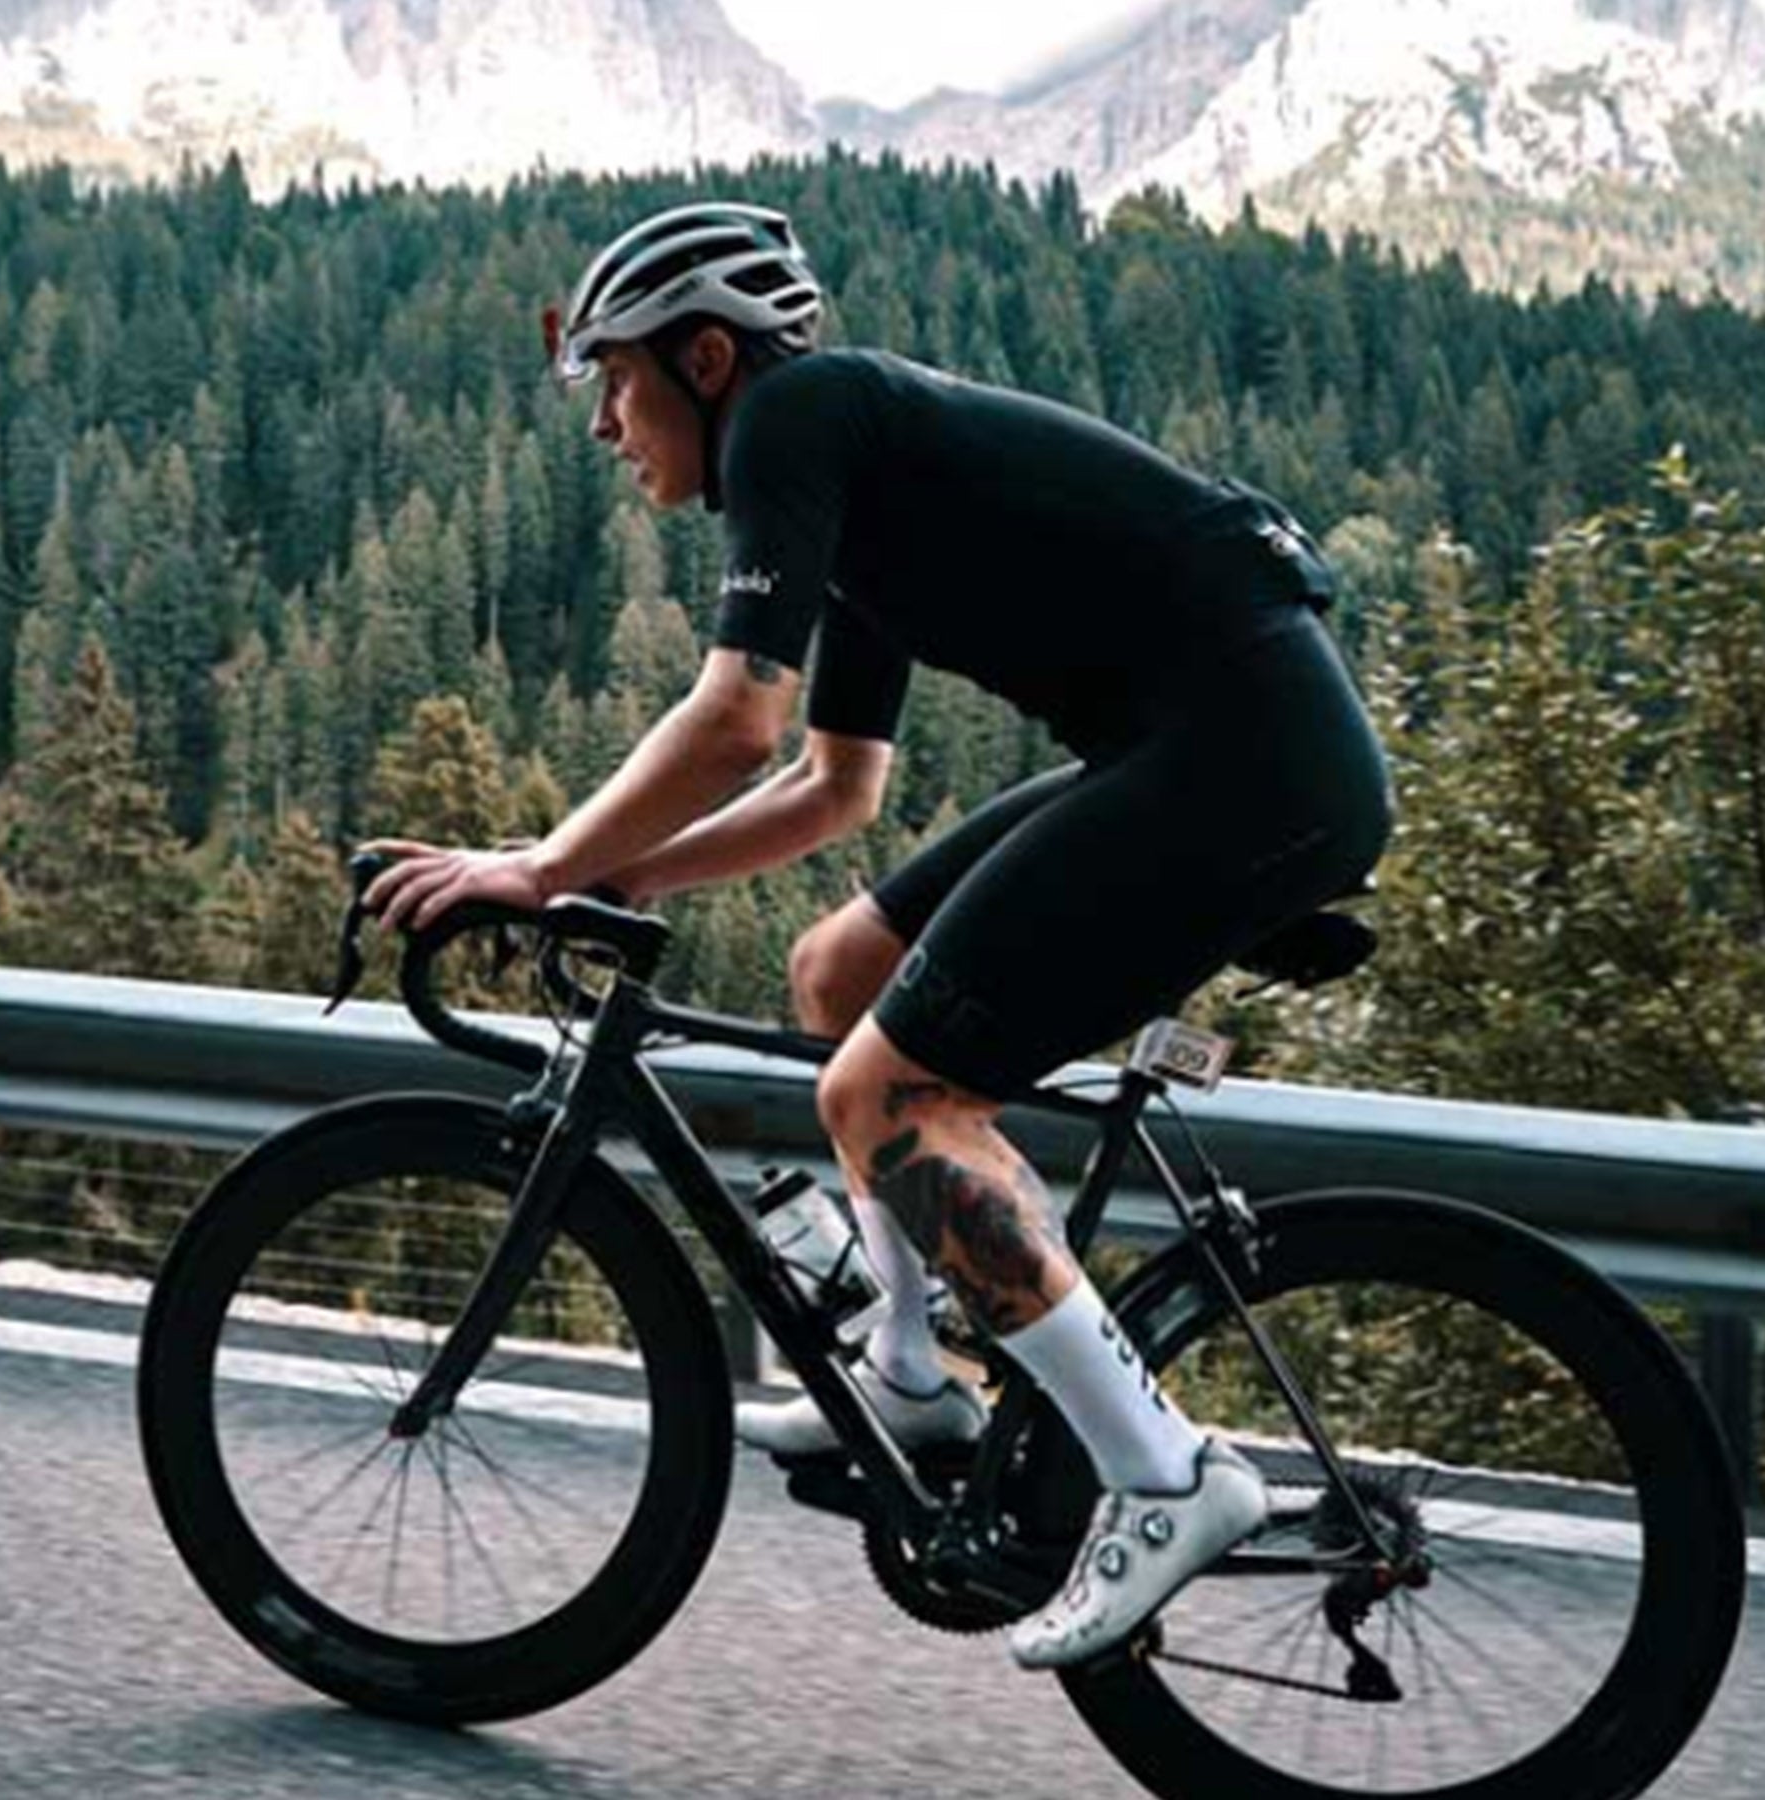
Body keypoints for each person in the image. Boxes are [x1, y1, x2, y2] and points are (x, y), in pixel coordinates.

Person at [363, 200, 1393, 1669]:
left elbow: (736, 717)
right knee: (838, 975)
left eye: (615, 380)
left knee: (893, 1100)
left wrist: (539, 867)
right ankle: (913, 1376)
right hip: (1214, 749)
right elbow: (833, 787)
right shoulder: (860, 468)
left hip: (1246, 767)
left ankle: (1168, 1478)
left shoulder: (798, 417)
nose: (604, 423)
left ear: (707, 357)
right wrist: (629, 879)